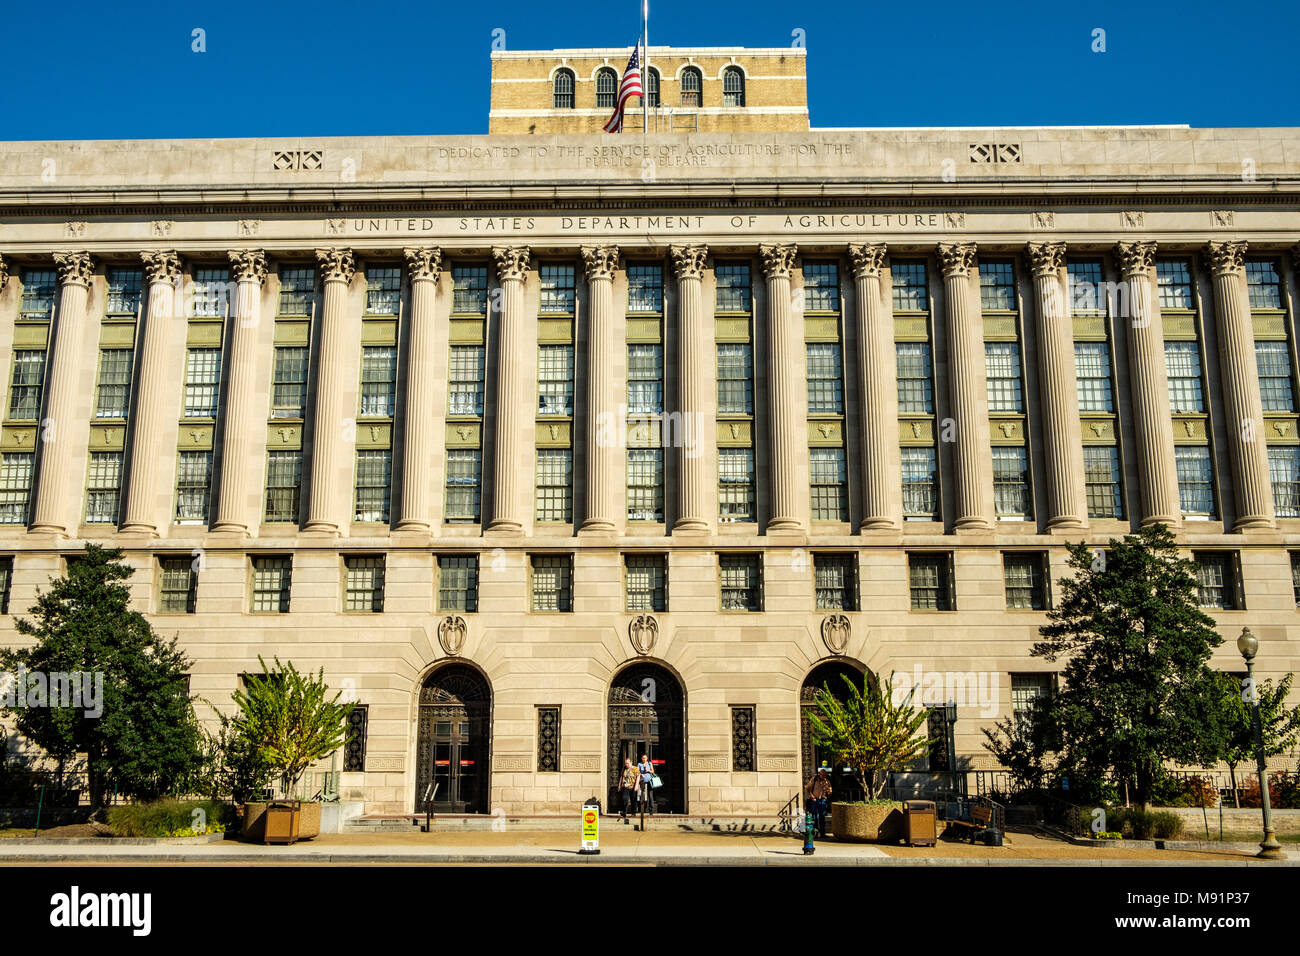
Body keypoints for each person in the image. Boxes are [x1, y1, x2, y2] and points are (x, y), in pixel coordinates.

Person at [806, 766, 832, 837]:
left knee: (822, 816)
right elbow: (807, 788)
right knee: (815, 817)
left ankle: (823, 833)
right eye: (822, 775)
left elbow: (830, 790)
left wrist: (828, 792)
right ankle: (815, 833)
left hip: (822, 800)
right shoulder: (814, 780)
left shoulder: (827, 781)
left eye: (825, 775)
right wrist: (811, 795)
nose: (824, 776)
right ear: (819, 774)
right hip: (815, 800)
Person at [618, 758, 639, 823]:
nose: (626, 764)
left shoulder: (635, 768)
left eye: (628, 763)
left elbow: (638, 777)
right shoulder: (624, 768)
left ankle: (633, 812)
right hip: (625, 786)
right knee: (625, 799)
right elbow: (622, 776)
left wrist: (636, 785)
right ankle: (624, 812)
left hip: (632, 786)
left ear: (631, 762)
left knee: (633, 800)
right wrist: (619, 785)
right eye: (626, 763)